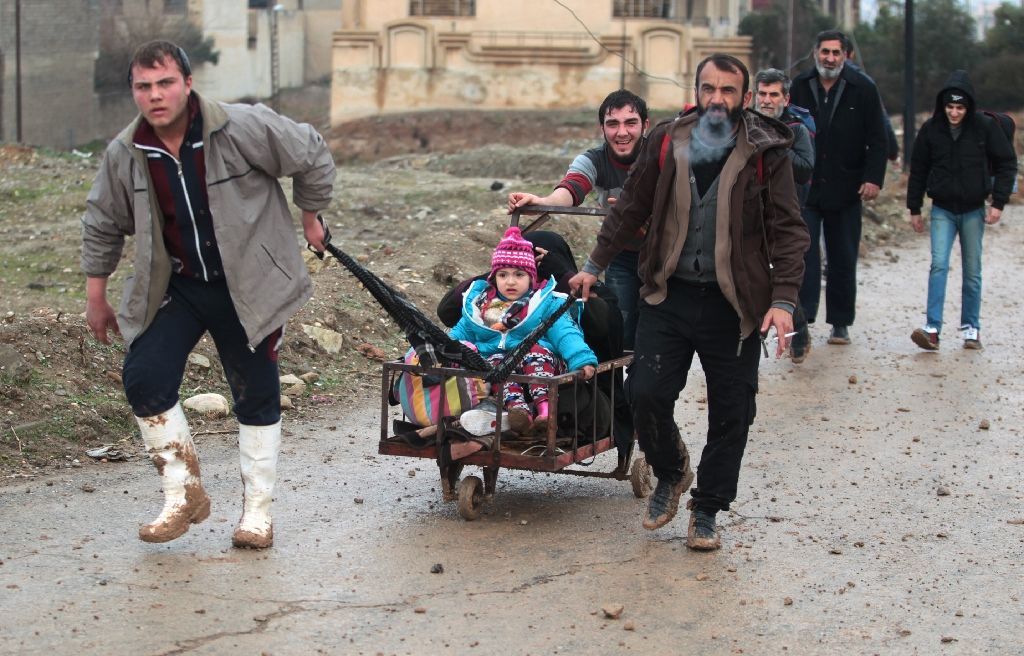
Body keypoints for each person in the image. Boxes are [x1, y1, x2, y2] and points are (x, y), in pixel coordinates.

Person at [80, 41, 335, 549]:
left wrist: (310, 216)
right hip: (177, 283)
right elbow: (103, 221)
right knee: (144, 376)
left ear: (188, 83)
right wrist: (97, 294)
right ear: (133, 91)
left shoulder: (242, 127)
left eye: (165, 83)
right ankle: (183, 492)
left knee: (254, 390)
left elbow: (311, 152)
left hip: (250, 285)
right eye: (143, 86)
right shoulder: (127, 152)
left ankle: (257, 513)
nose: (155, 96)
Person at [569, 54, 809, 550]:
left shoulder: (769, 151)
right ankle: (672, 469)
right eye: (708, 89)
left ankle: (707, 509)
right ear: (696, 92)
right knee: (646, 393)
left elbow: (789, 229)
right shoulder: (666, 140)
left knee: (732, 410)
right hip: (667, 292)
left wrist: (783, 300)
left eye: (727, 91)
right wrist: (593, 265)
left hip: (735, 304)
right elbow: (630, 206)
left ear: (744, 99)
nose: (716, 99)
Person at [506, 89, 650, 349]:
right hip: (620, 252)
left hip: (664, 256)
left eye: (631, 123)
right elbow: (571, 189)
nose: (622, 132)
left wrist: (638, 213)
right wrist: (542, 202)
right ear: (602, 128)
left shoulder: (659, 157)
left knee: (659, 327)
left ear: (645, 125)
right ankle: (624, 386)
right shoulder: (595, 159)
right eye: (613, 124)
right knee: (622, 326)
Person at [790, 29, 888, 346]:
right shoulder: (800, 87)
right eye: (825, 51)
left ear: (846, 56)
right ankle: (801, 320)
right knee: (803, 255)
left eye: (836, 52)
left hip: (848, 187)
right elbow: (785, 129)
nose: (830, 58)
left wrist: (873, 178)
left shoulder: (863, 88)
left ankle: (840, 323)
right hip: (807, 187)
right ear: (815, 52)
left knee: (843, 257)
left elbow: (878, 136)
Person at [448, 226, 597, 435]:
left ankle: (545, 412)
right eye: (503, 275)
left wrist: (581, 359)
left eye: (519, 274)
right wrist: (431, 351)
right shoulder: (479, 307)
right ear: (494, 278)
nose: (510, 281)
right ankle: (519, 414)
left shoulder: (545, 303)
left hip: (541, 367)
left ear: (531, 277)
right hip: (502, 371)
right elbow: (456, 335)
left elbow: (566, 333)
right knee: (493, 364)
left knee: (534, 351)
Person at [906, 70, 1016, 351]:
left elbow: (1006, 163)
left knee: (972, 270)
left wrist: (999, 203)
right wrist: (914, 207)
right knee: (939, 265)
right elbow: (918, 169)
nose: (954, 113)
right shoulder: (931, 130)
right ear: (943, 106)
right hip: (941, 207)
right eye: (950, 107)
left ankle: (971, 328)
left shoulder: (984, 128)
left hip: (973, 209)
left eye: (960, 107)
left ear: (969, 107)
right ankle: (932, 329)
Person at [752, 68, 816, 363]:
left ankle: (798, 335)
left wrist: (775, 146)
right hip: (750, 216)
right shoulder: (745, 126)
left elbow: (805, 168)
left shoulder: (797, 129)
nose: (767, 100)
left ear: (785, 98)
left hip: (785, 215)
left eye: (773, 94)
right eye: (762, 94)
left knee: (784, 275)